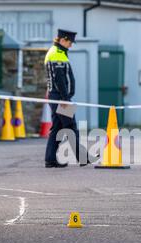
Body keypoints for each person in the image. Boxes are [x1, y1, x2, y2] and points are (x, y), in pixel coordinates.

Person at [44, 29, 91, 168]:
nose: (71, 45)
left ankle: (50, 159)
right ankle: (82, 158)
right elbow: (59, 80)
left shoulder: (58, 52)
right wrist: (65, 99)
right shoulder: (56, 54)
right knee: (70, 127)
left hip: (58, 97)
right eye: (70, 42)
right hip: (60, 98)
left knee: (57, 128)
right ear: (63, 40)